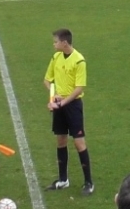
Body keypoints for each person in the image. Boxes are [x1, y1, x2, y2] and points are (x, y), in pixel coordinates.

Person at [44, 28, 94, 196]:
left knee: (79, 142)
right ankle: (63, 180)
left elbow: (79, 88)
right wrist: (53, 98)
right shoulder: (56, 57)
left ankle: (89, 182)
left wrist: (61, 102)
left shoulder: (79, 61)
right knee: (61, 140)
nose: (53, 44)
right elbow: (47, 80)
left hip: (73, 106)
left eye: (55, 41)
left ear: (64, 43)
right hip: (60, 103)